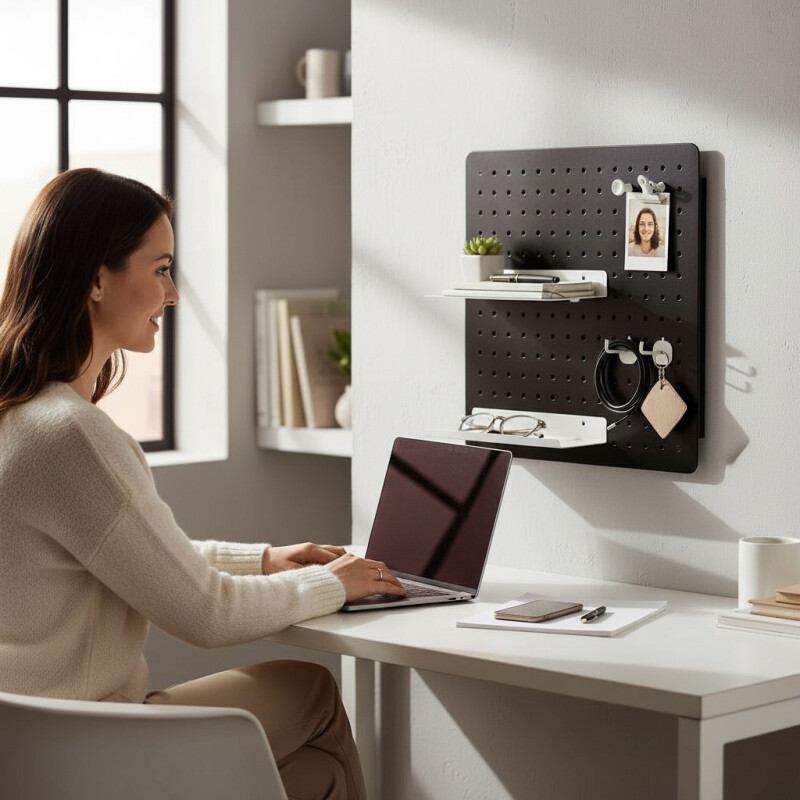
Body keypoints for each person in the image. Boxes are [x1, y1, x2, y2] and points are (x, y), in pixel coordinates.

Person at [0, 168, 406, 799]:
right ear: (97, 279)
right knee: (314, 689)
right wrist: (330, 583)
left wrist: (266, 561)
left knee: (314, 777)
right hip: (92, 748)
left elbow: (126, 561)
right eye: (160, 269)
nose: (174, 294)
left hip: (23, 751)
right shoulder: (70, 435)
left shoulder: (17, 419)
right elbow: (204, 613)